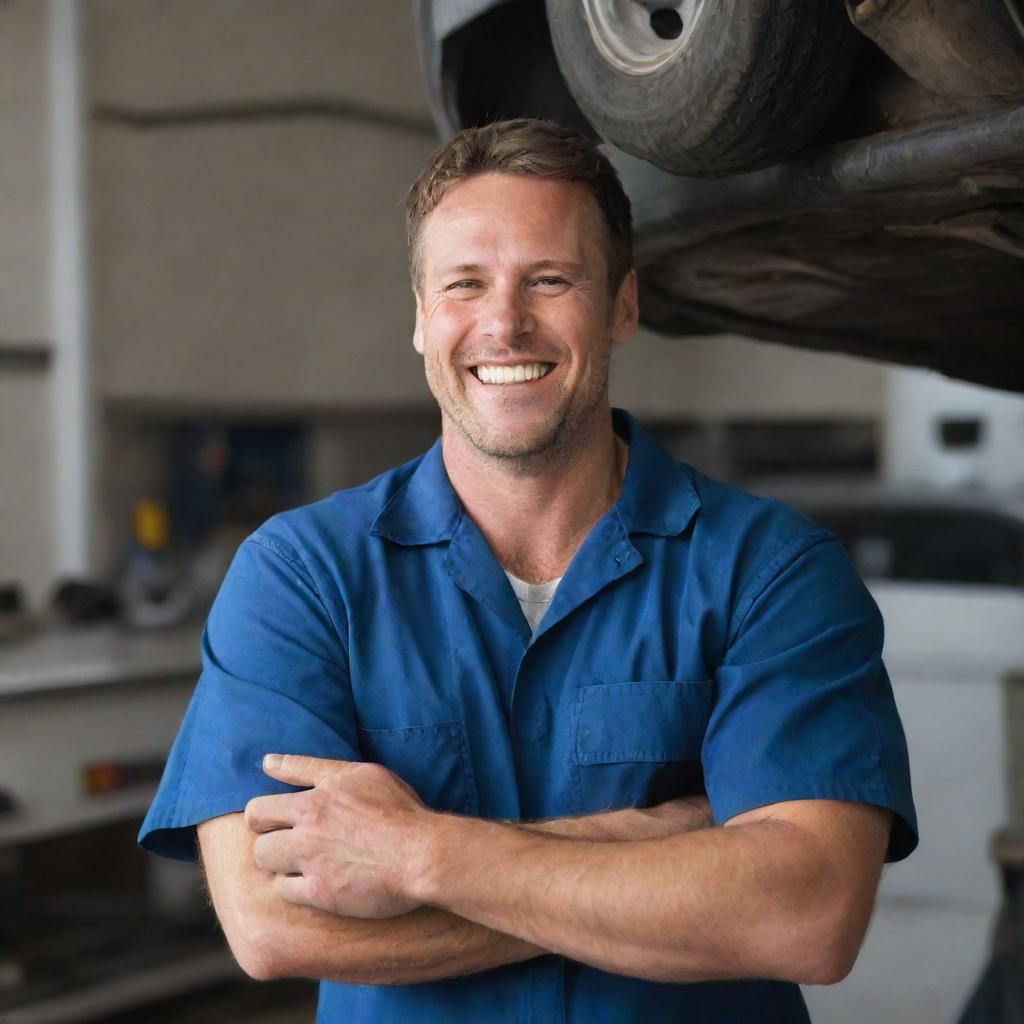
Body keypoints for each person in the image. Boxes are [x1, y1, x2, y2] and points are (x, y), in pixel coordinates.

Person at [139, 118, 917, 1023]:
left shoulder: (770, 570)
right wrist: (649, 845)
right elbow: (275, 925)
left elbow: (806, 915)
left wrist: (423, 856)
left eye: (550, 280)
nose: (504, 324)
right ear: (423, 316)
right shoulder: (303, 575)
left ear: (623, 306)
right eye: (466, 284)